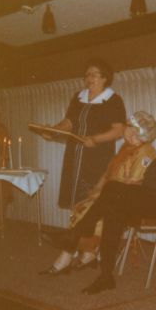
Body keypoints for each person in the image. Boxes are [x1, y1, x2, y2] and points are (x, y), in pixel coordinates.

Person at [51, 106, 156, 295]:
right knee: (113, 207)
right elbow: (153, 175)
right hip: (155, 198)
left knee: (113, 189)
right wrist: (145, 182)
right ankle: (106, 275)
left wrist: (147, 183)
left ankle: (77, 233)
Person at [40, 111, 156, 276]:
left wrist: (102, 195)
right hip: (112, 196)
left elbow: (132, 184)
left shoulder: (146, 151)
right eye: (127, 126)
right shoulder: (126, 147)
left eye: (128, 126)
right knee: (82, 206)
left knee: (89, 212)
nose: (125, 128)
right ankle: (88, 254)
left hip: (127, 202)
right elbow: (108, 173)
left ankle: (65, 258)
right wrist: (96, 190)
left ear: (136, 131)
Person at [44, 59, 126, 210]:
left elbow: (119, 130)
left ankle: (90, 226)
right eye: (87, 74)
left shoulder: (113, 100)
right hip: (74, 155)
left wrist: (95, 139)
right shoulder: (78, 98)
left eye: (94, 74)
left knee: (93, 201)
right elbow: (69, 122)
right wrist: (54, 131)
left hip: (97, 156)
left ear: (104, 78)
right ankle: (75, 225)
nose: (89, 78)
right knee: (74, 200)